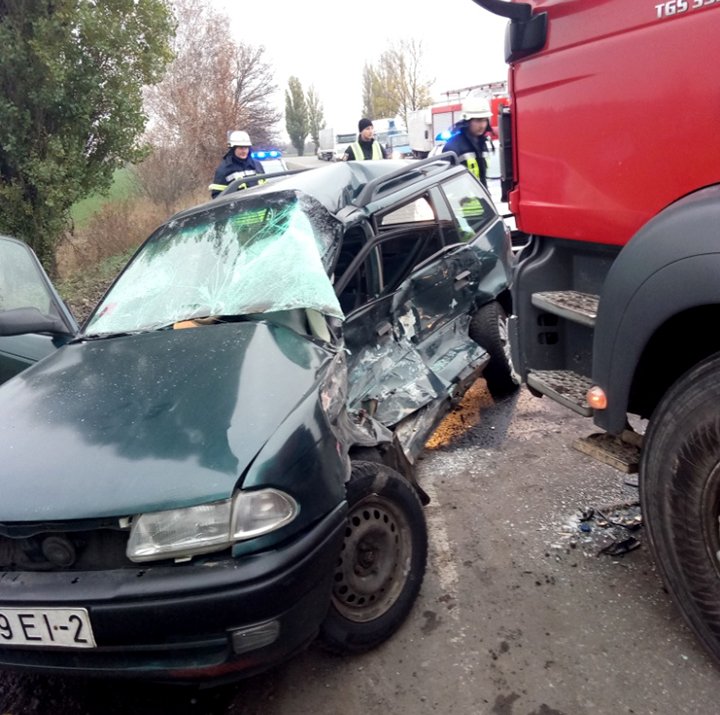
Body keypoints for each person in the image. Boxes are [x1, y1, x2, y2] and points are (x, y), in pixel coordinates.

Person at [442, 98, 493, 187]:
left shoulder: (483, 143)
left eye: (484, 120)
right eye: (478, 120)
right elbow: (446, 182)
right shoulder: (453, 146)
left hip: (481, 194)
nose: (482, 125)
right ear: (467, 122)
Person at [209, 130, 265, 198]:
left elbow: (265, 187)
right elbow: (217, 196)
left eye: (246, 148)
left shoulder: (257, 165)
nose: (244, 151)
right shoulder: (224, 169)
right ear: (233, 149)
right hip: (239, 204)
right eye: (241, 148)